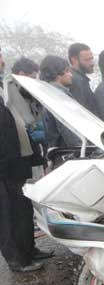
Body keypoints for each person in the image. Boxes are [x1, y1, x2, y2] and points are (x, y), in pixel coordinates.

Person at [1, 48, 51, 272]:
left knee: (23, 207)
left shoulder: (11, 90)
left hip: (18, 158)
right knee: (8, 213)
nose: (2, 63)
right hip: (6, 164)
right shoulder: (9, 88)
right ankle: (16, 260)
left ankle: (29, 250)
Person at [40, 55, 81, 151]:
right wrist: (80, 151)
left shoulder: (47, 93)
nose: (71, 75)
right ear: (57, 74)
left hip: (58, 152)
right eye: (67, 71)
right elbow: (69, 130)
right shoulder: (59, 96)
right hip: (68, 152)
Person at [68, 43, 98, 115]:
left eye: (91, 59)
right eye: (87, 60)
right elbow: (82, 113)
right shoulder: (76, 81)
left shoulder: (81, 79)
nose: (92, 63)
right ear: (74, 60)